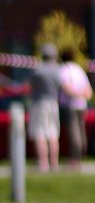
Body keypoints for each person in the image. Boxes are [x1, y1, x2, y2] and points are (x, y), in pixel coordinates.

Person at [26, 43, 64, 173]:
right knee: (53, 134)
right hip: (53, 104)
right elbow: (62, 86)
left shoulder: (37, 70)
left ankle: (43, 164)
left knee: (40, 134)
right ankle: (54, 164)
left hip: (39, 104)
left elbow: (29, 86)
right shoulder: (57, 70)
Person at [58, 47, 92, 169]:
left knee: (74, 133)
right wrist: (82, 95)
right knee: (81, 131)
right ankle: (82, 154)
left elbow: (66, 88)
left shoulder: (63, 70)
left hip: (70, 105)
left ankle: (75, 159)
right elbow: (88, 91)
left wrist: (77, 94)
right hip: (82, 105)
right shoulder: (79, 70)